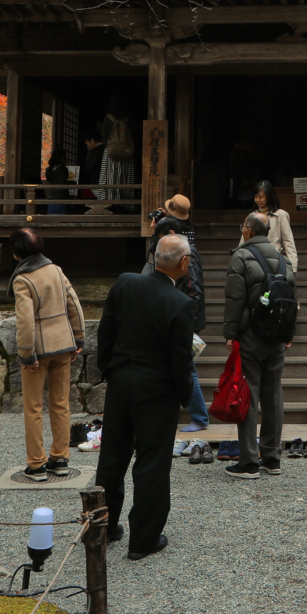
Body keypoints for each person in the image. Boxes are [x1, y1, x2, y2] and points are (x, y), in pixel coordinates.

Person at [94, 232, 202, 561]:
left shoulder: (126, 283)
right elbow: (181, 362)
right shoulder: (181, 304)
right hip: (157, 389)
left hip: (121, 380)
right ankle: (143, 538)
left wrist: (108, 368)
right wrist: (184, 397)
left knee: (112, 456)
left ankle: (103, 525)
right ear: (184, 263)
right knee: (152, 462)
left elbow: (106, 329)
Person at [221, 211, 292, 477]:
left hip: (250, 335)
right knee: (273, 396)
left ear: (248, 231)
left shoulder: (241, 256)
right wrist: (289, 335)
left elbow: (234, 300)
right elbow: (291, 299)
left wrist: (230, 334)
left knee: (248, 395)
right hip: (276, 336)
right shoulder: (283, 261)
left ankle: (248, 462)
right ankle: (272, 458)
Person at [11, 228, 85, 482]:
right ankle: (61, 458)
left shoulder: (22, 279)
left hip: (38, 351)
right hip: (63, 345)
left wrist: (26, 354)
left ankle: (36, 464)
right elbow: (73, 303)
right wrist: (79, 337)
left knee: (33, 407)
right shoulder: (55, 270)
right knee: (61, 403)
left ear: (17, 253)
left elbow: (25, 321)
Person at [148, 195, 210, 434]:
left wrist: (190, 323)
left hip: (184, 319)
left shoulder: (187, 253)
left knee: (187, 370)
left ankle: (200, 417)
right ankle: (192, 415)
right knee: (180, 367)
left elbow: (195, 290)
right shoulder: (180, 242)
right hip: (177, 316)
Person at [252, 181, 299, 271]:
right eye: (255, 197)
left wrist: (292, 268)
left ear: (269, 197)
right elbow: (244, 242)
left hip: (274, 264)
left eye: (261, 197)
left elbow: (288, 242)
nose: (257, 199)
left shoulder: (281, 215)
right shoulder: (252, 216)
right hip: (255, 263)